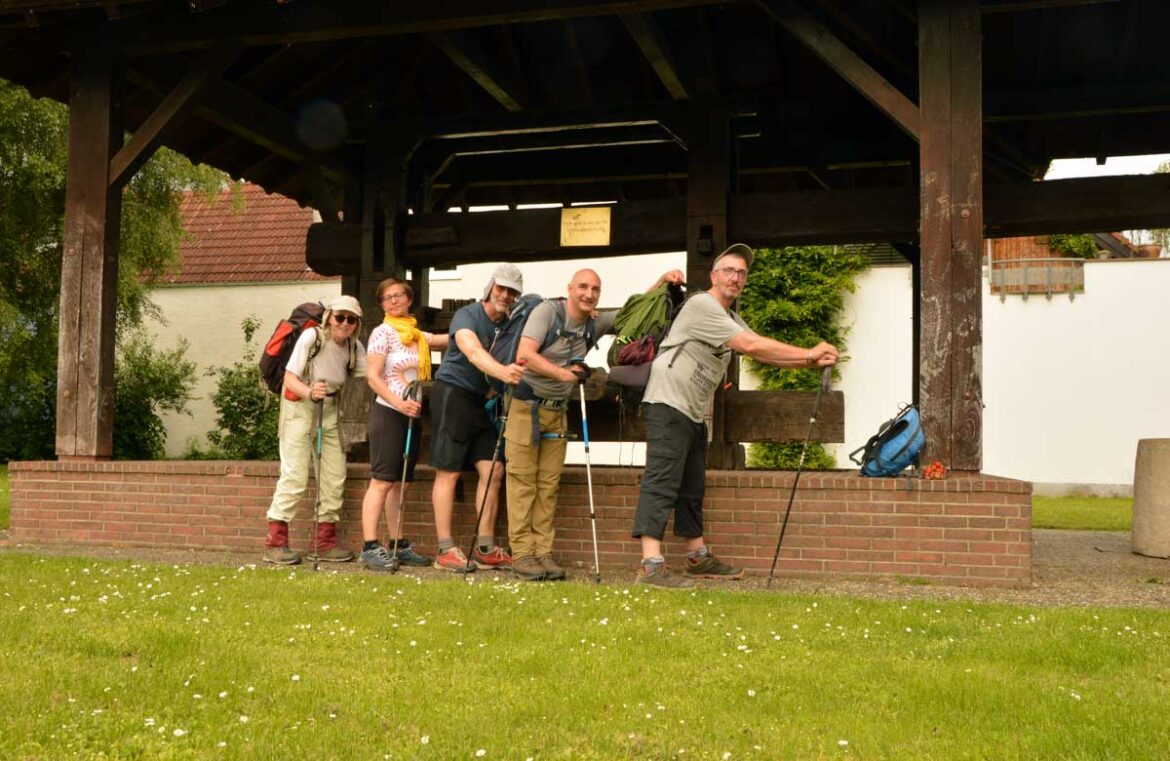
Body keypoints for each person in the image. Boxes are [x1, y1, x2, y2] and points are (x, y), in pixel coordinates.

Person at [632, 244, 839, 588]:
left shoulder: (730, 319)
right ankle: (651, 566)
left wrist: (809, 360)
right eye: (728, 270)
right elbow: (752, 346)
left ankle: (697, 558)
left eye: (741, 273)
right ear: (713, 276)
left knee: (691, 487)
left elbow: (760, 349)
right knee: (661, 481)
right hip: (668, 403)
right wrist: (808, 353)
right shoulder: (702, 305)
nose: (735, 277)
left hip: (693, 413)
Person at [505, 267, 685, 582]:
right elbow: (525, 354)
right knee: (523, 483)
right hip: (526, 407)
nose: (589, 294)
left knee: (548, 485)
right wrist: (566, 375)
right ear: (570, 288)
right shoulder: (547, 312)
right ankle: (522, 554)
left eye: (595, 289)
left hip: (557, 410)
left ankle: (543, 553)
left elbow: (635, 310)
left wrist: (661, 283)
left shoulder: (594, 322)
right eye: (583, 287)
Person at [428, 264, 526, 573]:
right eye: (501, 288)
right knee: (449, 472)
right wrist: (503, 373)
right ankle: (445, 550)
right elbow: (472, 351)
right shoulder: (468, 315)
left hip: (482, 404)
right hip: (453, 394)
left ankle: (485, 547)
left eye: (512, 291)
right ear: (490, 288)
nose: (505, 295)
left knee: (494, 469)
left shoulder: (510, 325)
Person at [264, 294, 369, 565]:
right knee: (295, 475)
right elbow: (289, 379)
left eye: (351, 319)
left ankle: (324, 543)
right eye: (340, 317)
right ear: (329, 317)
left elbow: (367, 378)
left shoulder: (355, 347)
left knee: (334, 476)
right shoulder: (312, 337)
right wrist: (310, 392)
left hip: (331, 410)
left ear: (357, 323)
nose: (345, 323)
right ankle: (275, 543)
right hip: (299, 407)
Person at [358, 278, 449, 572]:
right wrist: (399, 404)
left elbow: (442, 339)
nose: (394, 301)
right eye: (387, 298)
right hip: (389, 412)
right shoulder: (382, 334)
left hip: (411, 414)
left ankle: (397, 544)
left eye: (398, 296)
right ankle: (370, 547)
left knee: (401, 484)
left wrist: (475, 331)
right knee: (382, 480)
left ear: (409, 299)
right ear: (382, 304)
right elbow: (373, 377)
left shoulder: (416, 335)